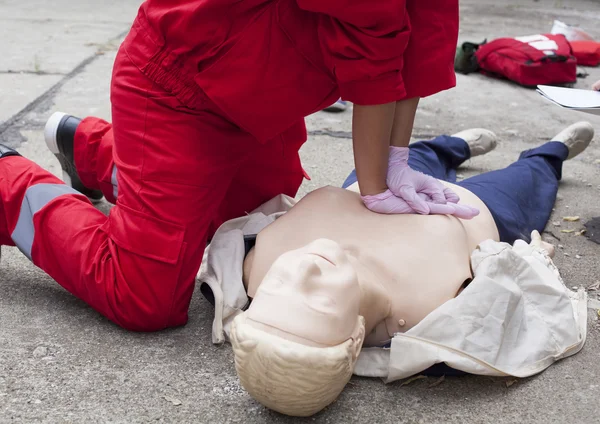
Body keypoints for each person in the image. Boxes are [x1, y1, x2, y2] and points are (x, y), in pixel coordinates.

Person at [0, 0, 465, 331]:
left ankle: (92, 149)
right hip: (177, 88)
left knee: (257, 232)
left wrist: (396, 160)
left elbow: (418, 42)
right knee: (144, 296)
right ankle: (8, 182)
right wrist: (376, 182)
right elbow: (374, 45)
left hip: (257, 104)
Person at [226, 122, 594, 416]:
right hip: (480, 209)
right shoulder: (431, 317)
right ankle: (549, 153)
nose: (304, 269)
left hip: (374, 185)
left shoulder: (253, 267)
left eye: (278, 284)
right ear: (355, 339)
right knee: (529, 179)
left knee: (415, 152)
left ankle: (451, 147)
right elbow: (515, 303)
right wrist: (534, 261)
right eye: (317, 300)